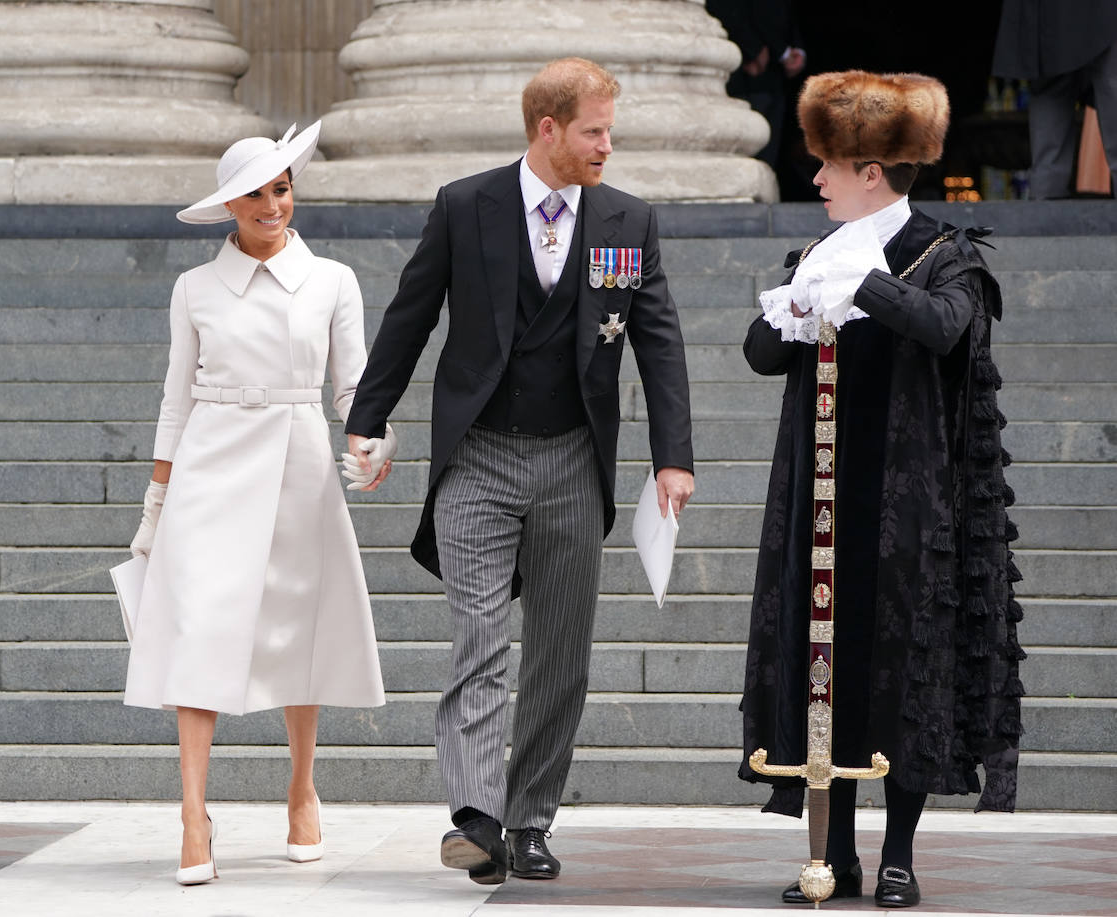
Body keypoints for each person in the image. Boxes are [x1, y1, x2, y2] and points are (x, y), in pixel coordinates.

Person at [343, 57, 695, 885]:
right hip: (478, 458)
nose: (608, 145)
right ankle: (476, 815)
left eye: (610, 130)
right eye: (594, 131)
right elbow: (411, 312)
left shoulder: (627, 220)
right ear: (548, 129)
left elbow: (660, 339)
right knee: (478, 638)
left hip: (575, 457)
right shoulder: (466, 206)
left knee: (559, 653)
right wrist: (368, 414)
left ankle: (530, 818)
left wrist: (672, 455)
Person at [739, 71, 1024, 909]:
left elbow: (944, 327)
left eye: (828, 163)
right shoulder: (819, 253)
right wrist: (803, 290)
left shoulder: (947, 253)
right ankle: (839, 854)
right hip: (821, 500)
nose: (816, 178)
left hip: (909, 504)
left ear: (870, 169)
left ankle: (898, 854)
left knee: (903, 668)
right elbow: (761, 351)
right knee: (829, 665)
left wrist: (864, 283)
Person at [122, 122, 386, 886]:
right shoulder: (194, 288)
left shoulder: (333, 279)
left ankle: (302, 787)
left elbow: (352, 388)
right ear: (228, 205)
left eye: (282, 187)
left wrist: (376, 438)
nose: (273, 204)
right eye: (256, 193)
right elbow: (174, 402)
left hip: (300, 462)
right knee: (199, 627)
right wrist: (154, 506)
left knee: (295, 631)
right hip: (209, 460)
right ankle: (192, 813)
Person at [993, 0, 1117, 198]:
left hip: (1045, 20)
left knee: (1052, 97)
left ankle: (1045, 205)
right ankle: (1045, 200)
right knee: (1110, 85)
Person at [705, 0, 807, 167]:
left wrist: (795, 49)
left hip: (775, 76)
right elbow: (726, 7)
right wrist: (753, 48)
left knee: (766, 161)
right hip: (745, 73)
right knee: (742, 159)